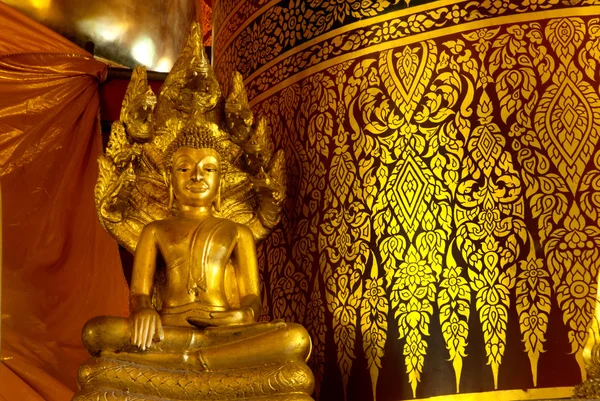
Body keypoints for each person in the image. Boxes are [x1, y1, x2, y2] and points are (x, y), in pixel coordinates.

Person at [82, 124, 311, 372]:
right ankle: (208, 364)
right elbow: (140, 292)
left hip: (224, 331)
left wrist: (243, 315)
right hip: (167, 330)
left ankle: (182, 364)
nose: (197, 176)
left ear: (220, 180)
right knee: (97, 331)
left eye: (208, 169)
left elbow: (252, 297)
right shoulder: (155, 230)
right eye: (184, 168)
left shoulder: (238, 232)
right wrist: (144, 310)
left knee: (296, 338)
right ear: (170, 179)